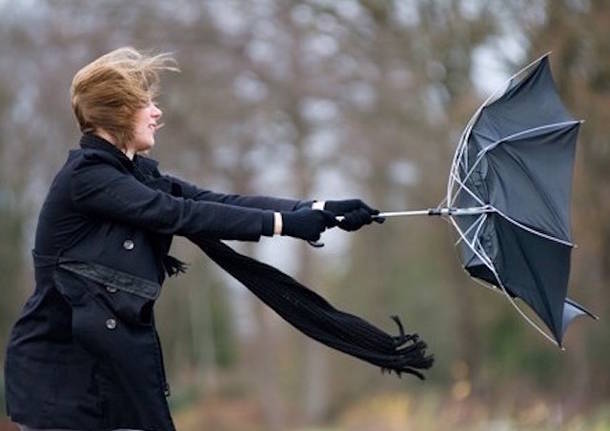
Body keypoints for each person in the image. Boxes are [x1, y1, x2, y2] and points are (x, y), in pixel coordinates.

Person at [3, 47, 383, 431]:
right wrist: (285, 224)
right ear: (118, 111)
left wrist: (318, 208)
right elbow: (178, 214)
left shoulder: (134, 176)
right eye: (145, 103)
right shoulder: (86, 178)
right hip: (60, 388)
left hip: (111, 380)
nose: (157, 112)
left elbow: (212, 201)